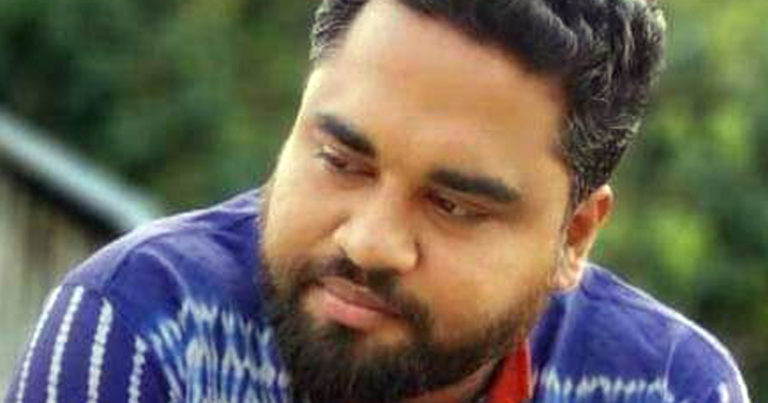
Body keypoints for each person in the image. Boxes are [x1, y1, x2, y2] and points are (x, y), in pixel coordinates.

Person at [4, 0, 751, 402]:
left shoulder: (664, 387)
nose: (369, 241)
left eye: (454, 205)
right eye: (341, 161)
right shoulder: (148, 325)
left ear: (574, 236)